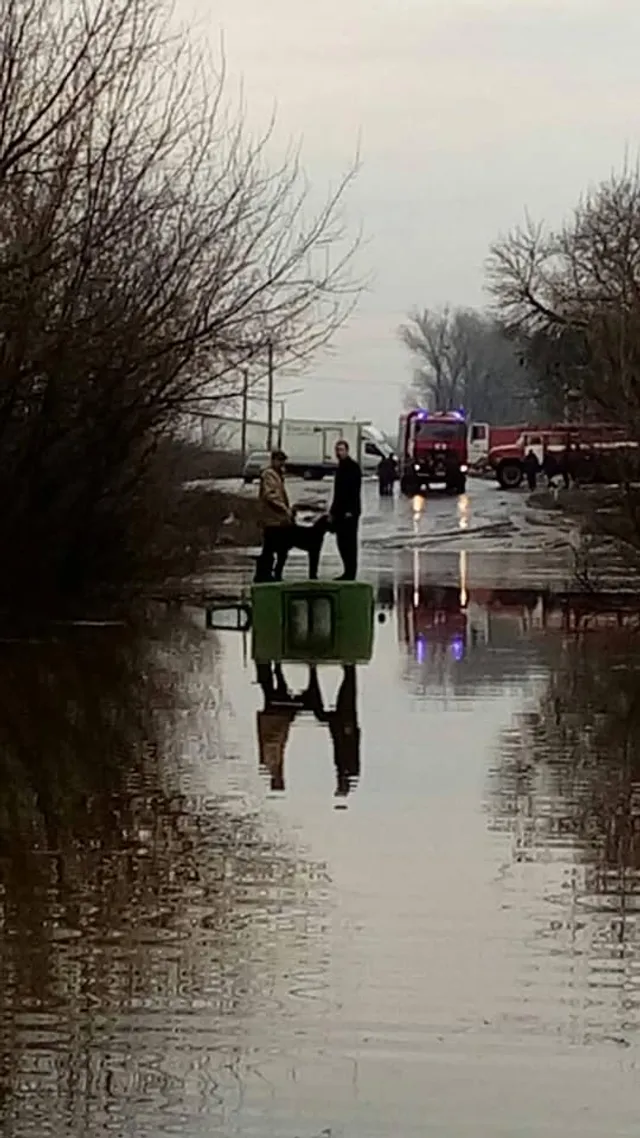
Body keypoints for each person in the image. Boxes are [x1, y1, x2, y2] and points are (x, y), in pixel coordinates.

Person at [254, 449, 294, 582]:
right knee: (270, 549)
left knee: (279, 549)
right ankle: (264, 574)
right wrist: (284, 508)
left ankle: (274, 573)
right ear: (273, 460)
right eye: (279, 460)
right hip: (272, 519)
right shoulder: (269, 475)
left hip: (279, 519)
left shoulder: (278, 474)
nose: (282, 463)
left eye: (283, 461)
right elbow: (270, 495)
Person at [328, 439, 362, 580]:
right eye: (337, 450)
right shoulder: (341, 467)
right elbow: (338, 493)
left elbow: (354, 491)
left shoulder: (353, 467)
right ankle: (346, 570)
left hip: (350, 512)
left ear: (347, 451)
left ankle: (350, 572)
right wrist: (332, 511)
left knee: (349, 543)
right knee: (341, 542)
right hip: (340, 512)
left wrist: (351, 510)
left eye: (341, 450)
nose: (339, 452)